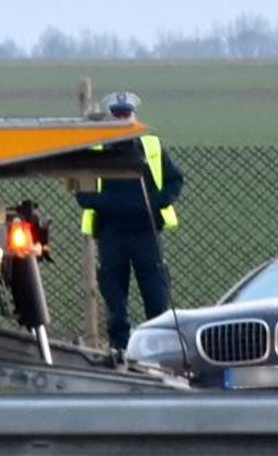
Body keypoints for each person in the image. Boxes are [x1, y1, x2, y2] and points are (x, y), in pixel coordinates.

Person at [75, 91, 184, 350]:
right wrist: (115, 205)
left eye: (126, 114)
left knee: (156, 297)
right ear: (110, 117)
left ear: (135, 116)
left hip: (147, 232)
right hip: (111, 234)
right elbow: (83, 194)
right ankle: (120, 351)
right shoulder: (96, 149)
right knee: (115, 301)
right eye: (117, 114)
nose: (123, 119)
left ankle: (159, 351)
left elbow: (175, 180)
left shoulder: (152, 147)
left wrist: (156, 202)